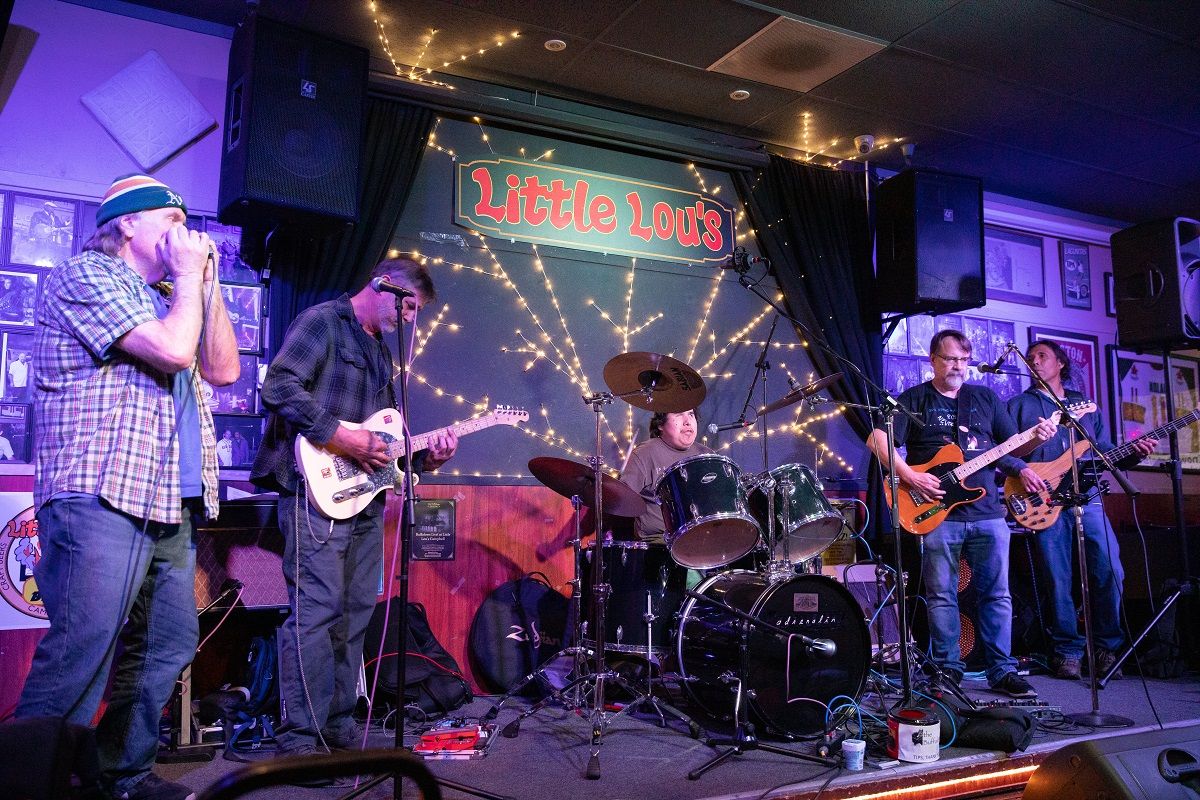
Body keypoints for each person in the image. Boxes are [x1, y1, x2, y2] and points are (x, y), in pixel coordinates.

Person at [15, 174, 239, 800]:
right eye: (172, 219)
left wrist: (206, 283)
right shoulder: (86, 276)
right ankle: (29, 785)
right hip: (101, 494)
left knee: (167, 642)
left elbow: (223, 369)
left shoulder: (173, 293)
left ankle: (120, 776)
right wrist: (189, 280)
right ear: (129, 223)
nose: (185, 233)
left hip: (168, 499)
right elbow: (172, 351)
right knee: (80, 652)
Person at [251, 257, 458, 763]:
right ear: (383, 286)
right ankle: (301, 739)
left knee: (356, 611)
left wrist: (426, 458)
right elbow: (278, 385)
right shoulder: (324, 321)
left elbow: (383, 443)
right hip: (312, 491)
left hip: (363, 498)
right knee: (315, 612)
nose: (410, 319)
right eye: (408, 307)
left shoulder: (380, 354)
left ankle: (339, 723)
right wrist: (339, 436)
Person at [866, 329, 1056, 699]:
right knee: (941, 595)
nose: (957, 366)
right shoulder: (915, 398)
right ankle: (947, 669)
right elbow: (877, 439)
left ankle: (1002, 670)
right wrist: (911, 477)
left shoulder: (985, 398)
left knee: (997, 594)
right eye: (950, 358)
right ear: (933, 360)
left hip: (987, 513)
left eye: (963, 360)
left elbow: (1010, 448)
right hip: (937, 513)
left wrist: (1037, 439)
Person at [1008, 340, 1155, 679]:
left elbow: (1104, 453)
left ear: (1061, 363)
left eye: (1042, 356)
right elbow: (1005, 451)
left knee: (1109, 570)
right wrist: (1021, 469)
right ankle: (1067, 651)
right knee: (1057, 578)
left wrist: (1134, 453)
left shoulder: (1084, 405)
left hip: (1088, 497)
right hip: (1043, 502)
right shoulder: (1018, 405)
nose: (1034, 361)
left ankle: (1106, 648)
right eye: (1030, 357)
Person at [620, 408, 710, 544]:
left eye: (691, 414)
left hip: (704, 537)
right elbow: (620, 499)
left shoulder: (707, 454)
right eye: (679, 415)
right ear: (660, 425)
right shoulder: (645, 453)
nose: (688, 421)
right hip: (661, 542)